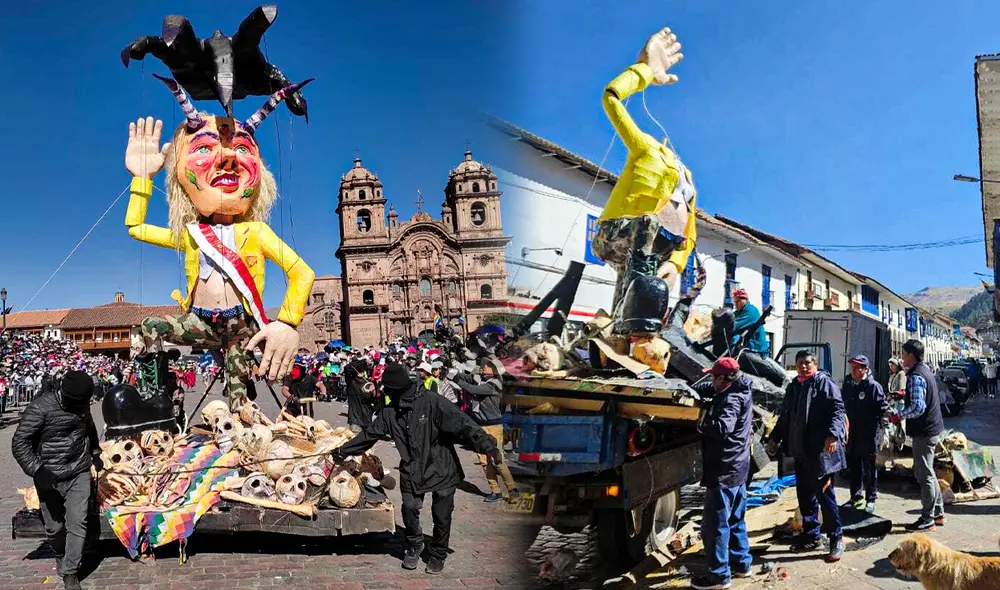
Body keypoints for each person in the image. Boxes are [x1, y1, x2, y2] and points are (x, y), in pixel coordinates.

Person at [332, 363, 501, 575]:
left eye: (388, 389)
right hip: (412, 468)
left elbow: (463, 424)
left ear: (397, 388)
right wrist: (342, 450)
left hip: (441, 466)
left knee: (442, 514)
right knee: (410, 507)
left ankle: (438, 552)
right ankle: (414, 543)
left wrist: (487, 446)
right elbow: (369, 435)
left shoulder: (432, 402)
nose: (385, 392)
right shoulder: (390, 412)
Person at [11, 371, 101, 590]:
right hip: (49, 475)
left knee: (77, 521)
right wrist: (38, 470)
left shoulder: (82, 404)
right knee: (54, 527)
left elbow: (89, 429)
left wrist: (96, 453)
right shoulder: (41, 407)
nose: (82, 405)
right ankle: (60, 554)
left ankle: (70, 571)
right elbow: (20, 442)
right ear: (66, 395)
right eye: (79, 401)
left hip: (78, 471)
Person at [766, 350, 846, 562]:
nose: (803, 366)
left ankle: (836, 538)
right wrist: (774, 439)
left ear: (815, 364)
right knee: (805, 497)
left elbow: (838, 410)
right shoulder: (795, 386)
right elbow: (785, 416)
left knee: (825, 497)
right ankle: (811, 535)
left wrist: (832, 435)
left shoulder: (824, 383)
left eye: (807, 363)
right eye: (800, 363)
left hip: (821, 453)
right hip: (800, 452)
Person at [690, 358, 754, 590]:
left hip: (724, 468)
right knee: (735, 519)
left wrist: (700, 422)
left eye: (713, 377)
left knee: (715, 525)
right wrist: (689, 387)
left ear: (723, 379)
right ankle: (742, 564)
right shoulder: (739, 386)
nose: (710, 380)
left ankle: (719, 576)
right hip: (738, 467)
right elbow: (708, 388)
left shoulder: (731, 400)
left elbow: (722, 428)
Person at [453, 358, 519, 502]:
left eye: (487, 366)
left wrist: (457, 380)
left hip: (493, 426)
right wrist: (452, 371)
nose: (483, 367)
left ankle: (512, 489)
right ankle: (495, 490)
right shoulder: (481, 379)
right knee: (484, 461)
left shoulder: (494, 384)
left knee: (497, 460)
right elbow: (468, 377)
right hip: (480, 425)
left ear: (494, 370)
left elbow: (472, 389)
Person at [895, 339, 945, 531]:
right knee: (929, 473)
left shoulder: (916, 375)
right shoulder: (925, 370)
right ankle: (938, 513)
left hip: (924, 431)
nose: (901, 357)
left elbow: (918, 406)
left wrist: (898, 416)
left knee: (924, 475)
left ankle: (927, 518)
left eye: (904, 354)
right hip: (932, 428)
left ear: (911, 355)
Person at [841, 355, 888, 513]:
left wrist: (883, 430)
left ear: (865, 370)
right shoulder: (848, 385)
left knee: (869, 468)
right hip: (851, 434)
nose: (854, 370)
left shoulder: (873, 387)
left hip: (868, 434)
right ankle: (855, 497)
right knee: (854, 468)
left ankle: (871, 498)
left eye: (857, 367)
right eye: (852, 367)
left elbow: (883, 409)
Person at [344, 359, 373, 434]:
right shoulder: (351, 379)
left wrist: (372, 391)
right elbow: (347, 367)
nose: (361, 372)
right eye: (359, 370)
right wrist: (363, 361)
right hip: (355, 408)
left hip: (365, 408)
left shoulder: (365, 380)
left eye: (362, 370)